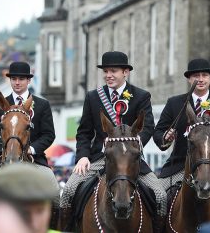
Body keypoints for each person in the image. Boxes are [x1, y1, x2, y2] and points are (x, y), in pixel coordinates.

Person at [59, 51, 167, 232]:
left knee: (161, 195)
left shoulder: (141, 96)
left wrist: (133, 147)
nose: (108, 75)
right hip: (100, 158)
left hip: (130, 160)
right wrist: (83, 156)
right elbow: (84, 132)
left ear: (126, 72)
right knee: (68, 191)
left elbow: (147, 127)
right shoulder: (93, 97)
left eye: (113, 71)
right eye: (106, 71)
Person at [153, 58, 210, 208]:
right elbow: (159, 133)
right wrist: (165, 137)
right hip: (180, 165)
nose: (200, 79)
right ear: (189, 79)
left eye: (204, 75)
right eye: (196, 76)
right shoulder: (174, 103)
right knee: (159, 197)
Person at [0, 62, 59, 195]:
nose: (17, 82)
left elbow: (48, 135)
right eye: (13, 79)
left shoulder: (42, 105)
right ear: (10, 80)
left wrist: (31, 149)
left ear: (28, 80)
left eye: (21, 79)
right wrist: (7, 147)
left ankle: (59, 216)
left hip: (34, 157)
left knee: (55, 190)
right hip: (1, 156)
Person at [0, 163, 60, 233]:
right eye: (25, 213)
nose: (35, 224)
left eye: (40, 211)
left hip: (37, 158)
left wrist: (32, 150)